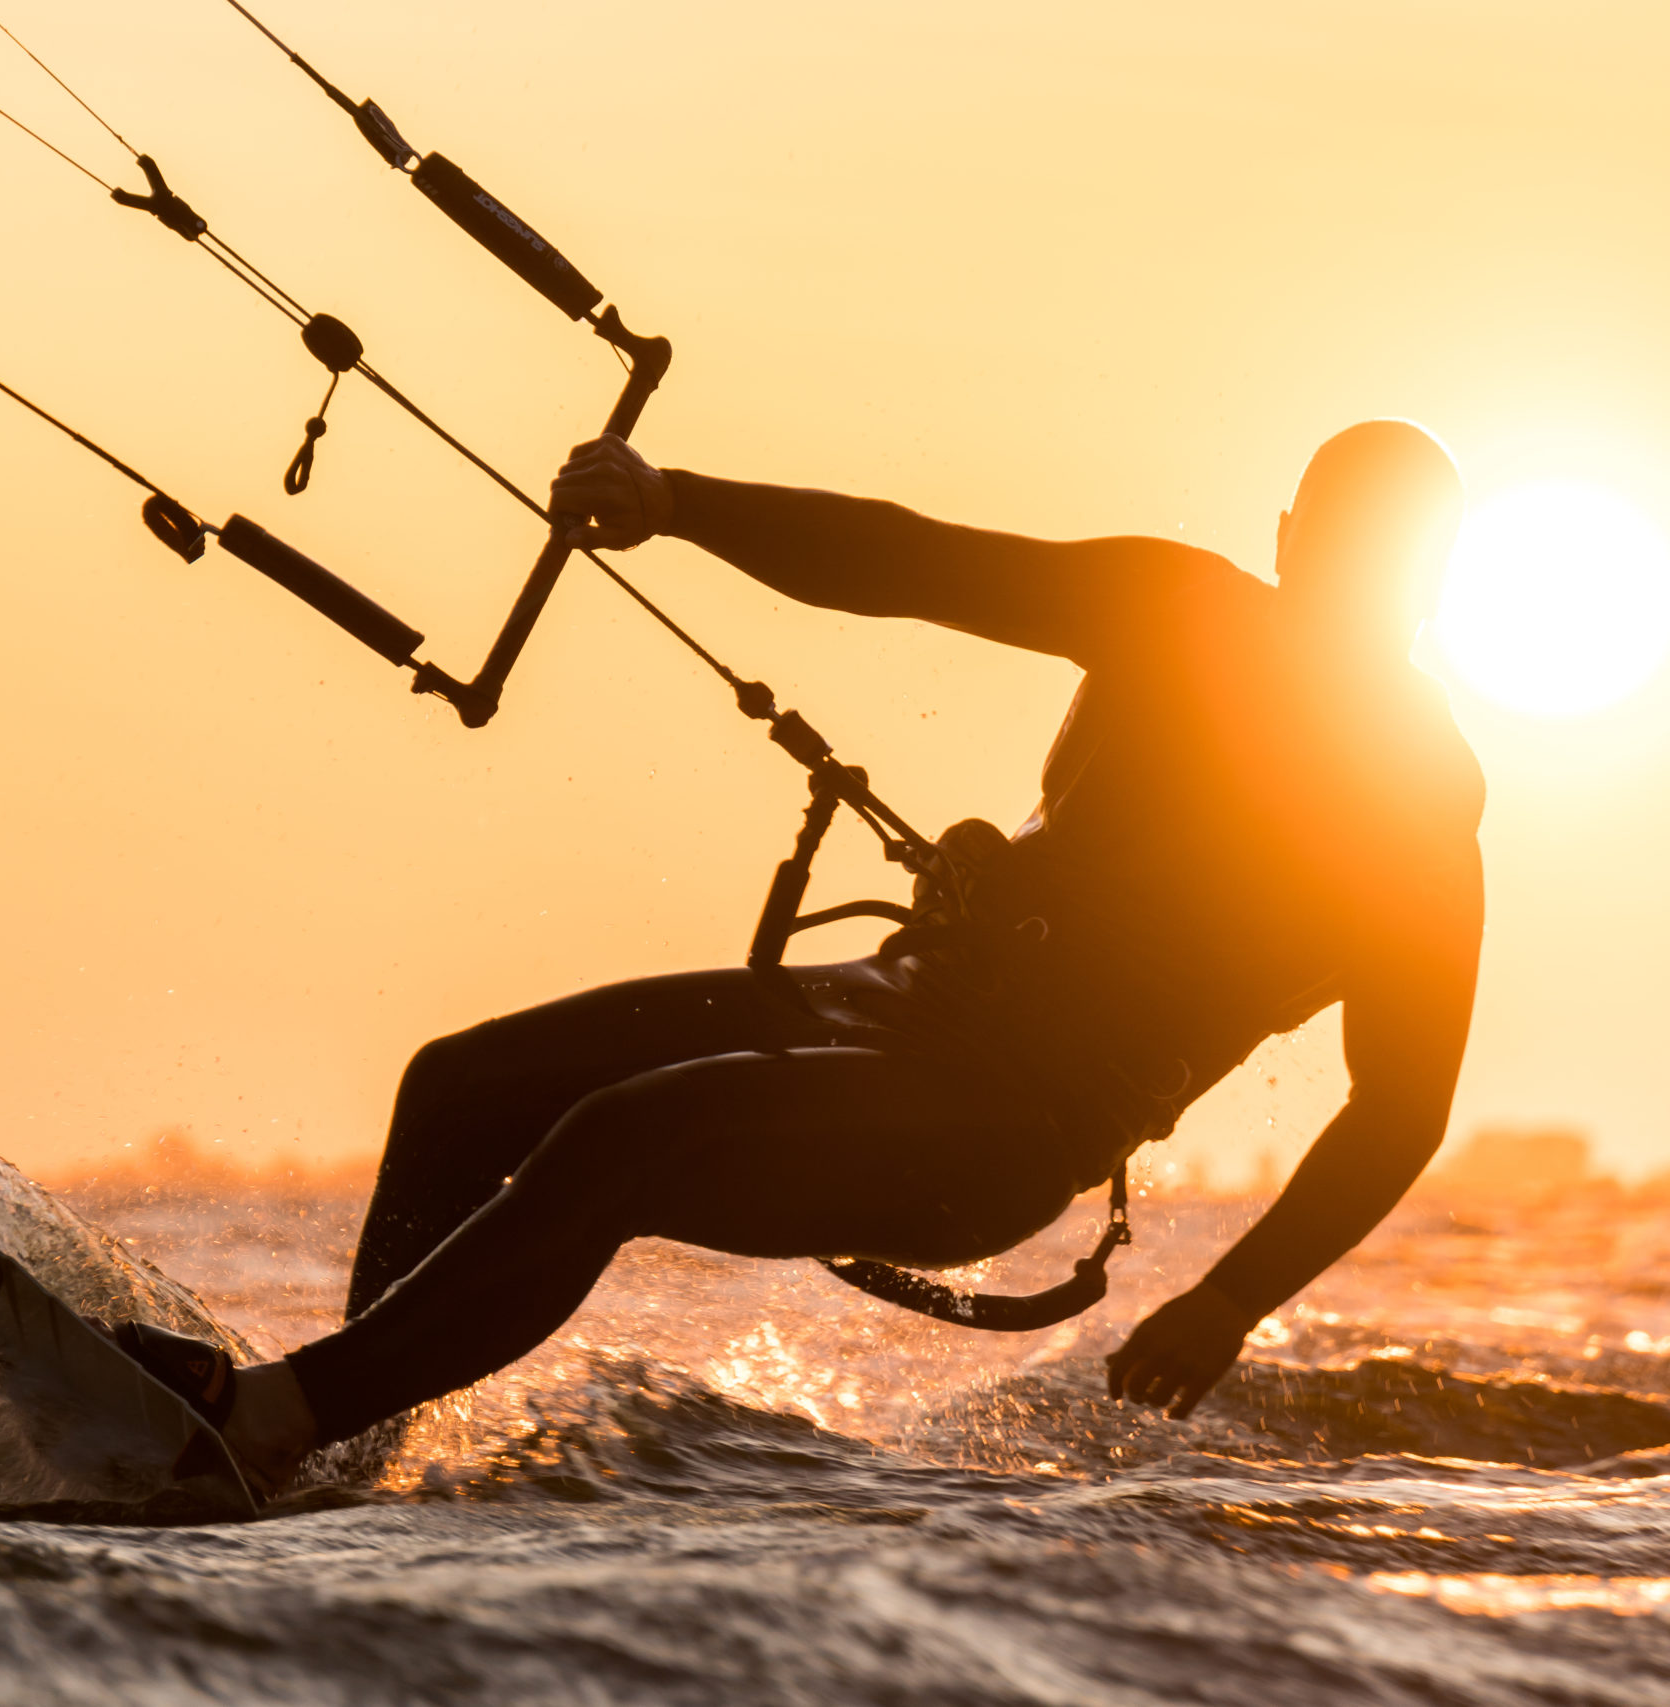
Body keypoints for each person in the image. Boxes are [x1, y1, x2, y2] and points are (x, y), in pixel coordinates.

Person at [146, 420, 1486, 1490]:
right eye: (1327, 547)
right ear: (1287, 537)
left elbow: (1403, 1103)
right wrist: (678, 501)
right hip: (895, 1005)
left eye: (1381, 560)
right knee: (460, 1084)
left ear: (1425, 584)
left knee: (627, 1140)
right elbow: (917, 560)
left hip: (1005, 1132)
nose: (1337, 580)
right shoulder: (1184, 611)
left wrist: (1232, 1298)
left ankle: (283, 1419)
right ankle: (327, 1441)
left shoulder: (1417, 811)